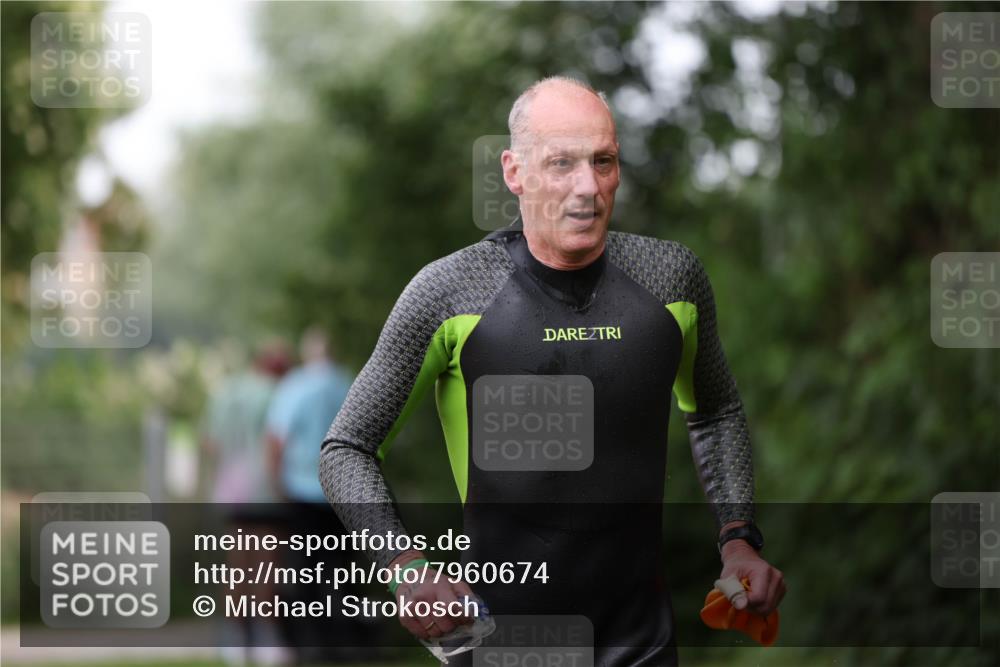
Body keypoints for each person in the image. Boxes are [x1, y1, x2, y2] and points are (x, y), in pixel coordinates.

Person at [319, 76, 786, 665]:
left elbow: (715, 410)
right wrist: (403, 567)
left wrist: (738, 538)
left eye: (604, 161)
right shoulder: (451, 292)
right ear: (514, 172)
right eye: (561, 163)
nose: (587, 187)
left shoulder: (672, 279)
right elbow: (347, 447)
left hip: (641, 643)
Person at [265, 326, 363, 663]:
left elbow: (277, 438)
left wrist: (277, 484)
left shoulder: (295, 385)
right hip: (343, 492)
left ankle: (309, 642)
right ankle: (346, 641)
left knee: (304, 570)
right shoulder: (347, 381)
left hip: (303, 491)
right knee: (342, 571)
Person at [201, 339, 292, 666]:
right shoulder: (275, 392)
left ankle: (235, 639)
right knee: (267, 565)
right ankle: (267, 637)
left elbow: (210, 443)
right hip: (264, 489)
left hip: (231, 489)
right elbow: (277, 442)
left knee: (237, 565)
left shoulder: (225, 391)